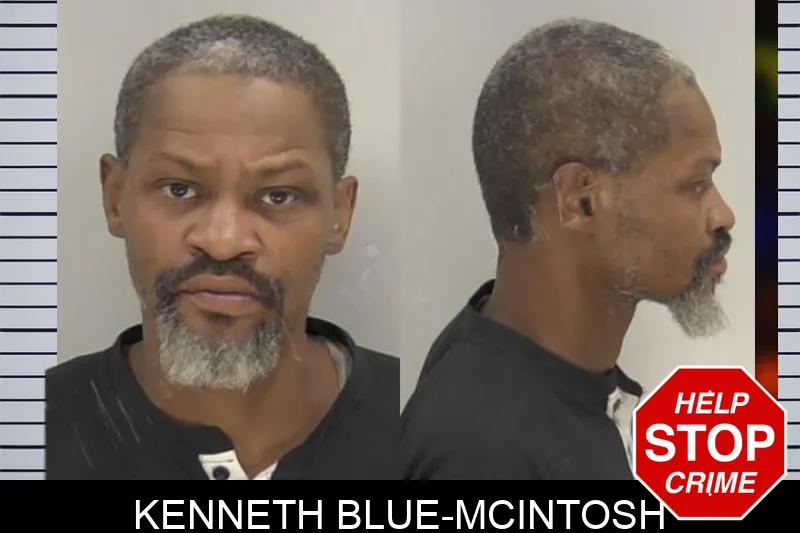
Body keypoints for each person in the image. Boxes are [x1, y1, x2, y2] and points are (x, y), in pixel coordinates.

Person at [46, 15, 399, 480]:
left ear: (340, 214)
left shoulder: (428, 422)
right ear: (115, 198)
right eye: (179, 189)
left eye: (278, 196)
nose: (224, 241)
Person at [400, 19, 736, 480]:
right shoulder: (485, 454)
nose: (723, 215)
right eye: (696, 183)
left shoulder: (540, 371)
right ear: (581, 201)